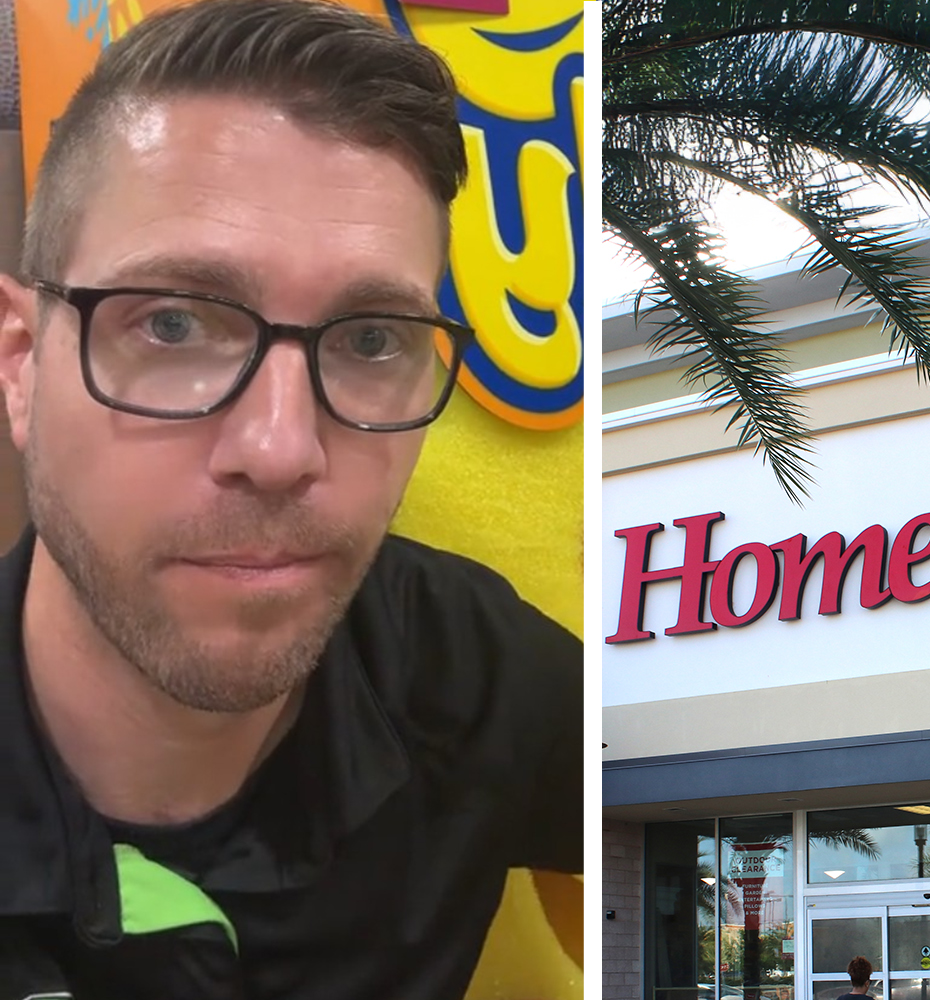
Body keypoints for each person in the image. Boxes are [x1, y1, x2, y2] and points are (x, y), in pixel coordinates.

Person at [0, 0, 581, 996]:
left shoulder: (474, 674)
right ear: (20, 363)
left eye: (368, 340)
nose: (280, 448)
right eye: (174, 324)